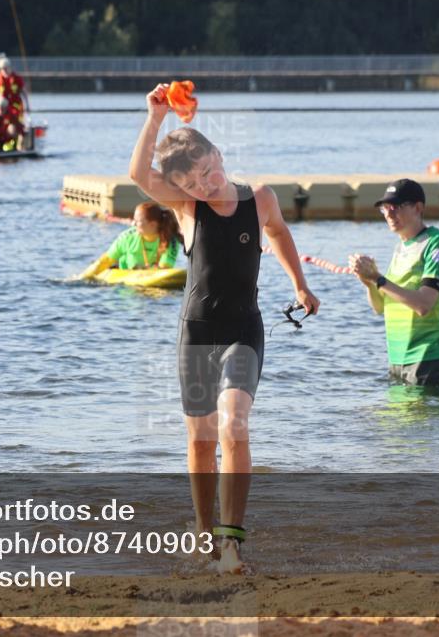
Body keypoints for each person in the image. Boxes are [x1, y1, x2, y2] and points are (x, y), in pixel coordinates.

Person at [129, 83, 319, 574]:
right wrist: (154, 118)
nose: (206, 185)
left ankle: (232, 545)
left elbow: (278, 233)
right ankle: (203, 532)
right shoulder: (188, 209)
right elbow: (137, 174)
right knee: (200, 440)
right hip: (196, 332)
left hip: (242, 329)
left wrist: (299, 284)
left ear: (218, 154)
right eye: (193, 183)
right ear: (182, 191)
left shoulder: (260, 199)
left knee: (234, 423)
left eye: (208, 171)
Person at [348, 178, 439, 386]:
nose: (389, 214)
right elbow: (380, 307)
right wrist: (368, 282)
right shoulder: (401, 248)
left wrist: (378, 278)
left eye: (396, 207)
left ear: (418, 208)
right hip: (399, 356)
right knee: (397, 418)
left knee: (426, 418)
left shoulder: (437, 242)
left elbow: (424, 305)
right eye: (385, 208)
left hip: (431, 355)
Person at [80, 202, 182, 277]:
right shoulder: (127, 237)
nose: (134, 224)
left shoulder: (171, 240)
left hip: (150, 277)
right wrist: (83, 277)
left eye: (138, 221)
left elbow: (165, 268)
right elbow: (106, 260)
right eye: (134, 220)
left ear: (153, 225)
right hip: (123, 274)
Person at [0, 57, 26, 136]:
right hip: (3, 107)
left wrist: (28, 106)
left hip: (15, 106)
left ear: (9, 68)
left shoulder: (17, 78)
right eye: (2, 69)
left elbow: (24, 93)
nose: (4, 71)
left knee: (17, 120)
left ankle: (19, 133)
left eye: (5, 68)